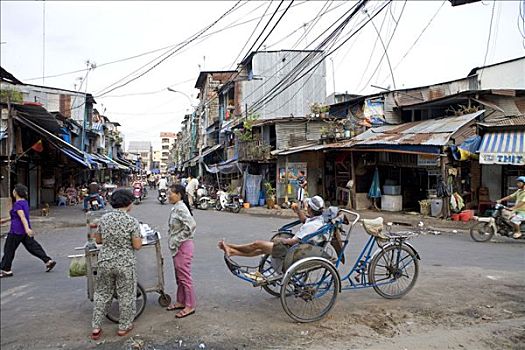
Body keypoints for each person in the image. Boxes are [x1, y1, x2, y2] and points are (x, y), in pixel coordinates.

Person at [91, 189, 142, 340]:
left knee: (102, 294)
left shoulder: (104, 219)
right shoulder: (131, 221)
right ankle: (123, 327)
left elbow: (98, 240)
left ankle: (96, 327)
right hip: (125, 263)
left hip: (105, 262)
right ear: (128, 203)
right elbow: (137, 245)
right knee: (126, 295)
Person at [218, 196, 326, 257]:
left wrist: (282, 240)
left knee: (257, 244)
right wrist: (297, 211)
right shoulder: (317, 220)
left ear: (311, 209)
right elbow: (304, 220)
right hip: (296, 247)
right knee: (260, 249)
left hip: (292, 249)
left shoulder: (312, 225)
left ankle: (230, 247)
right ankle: (231, 250)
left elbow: (294, 242)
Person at [0, 184, 56, 278]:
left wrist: (26, 229)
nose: (13, 192)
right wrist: (5, 220)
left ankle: (6, 270)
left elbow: (22, 217)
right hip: (24, 231)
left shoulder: (17, 204)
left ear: (16, 193)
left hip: (16, 231)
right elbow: (17, 216)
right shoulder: (24, 202)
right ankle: (48, 261)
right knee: (33, 247)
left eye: (14, 190)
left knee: (9, 249)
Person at [166, 184, 197, 319]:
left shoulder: (181, 208)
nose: (168, 196)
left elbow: (191, 225)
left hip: (183, 247)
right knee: (179, 277)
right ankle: (180, 301)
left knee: (185, 278)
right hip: (177, 247)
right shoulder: (176, 207)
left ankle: (190, 305)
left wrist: (178, 239)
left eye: (170, 194)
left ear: (178, 194)